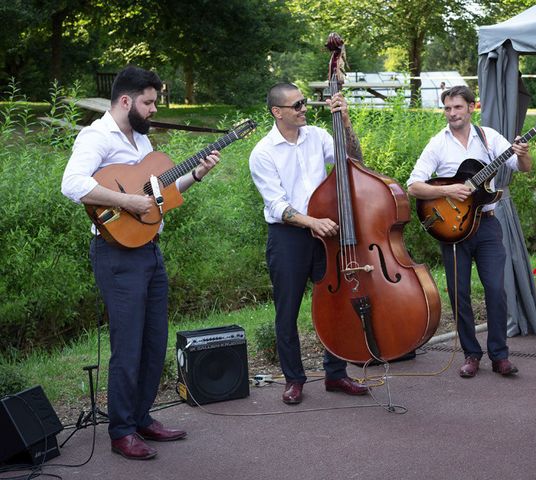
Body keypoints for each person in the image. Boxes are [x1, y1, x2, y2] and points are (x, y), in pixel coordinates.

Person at [61, 65, 221, 460]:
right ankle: (121, 430)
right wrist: (127, 201)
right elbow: (72, 183)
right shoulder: (96, 136)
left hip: (149, 249)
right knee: (128, 345)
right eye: (149, 102)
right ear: (127, 100)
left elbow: (159, 193)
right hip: (116, 254)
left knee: (154, 340)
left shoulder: (141, 143)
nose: (153, 109)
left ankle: (142, 416)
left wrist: (195, 175)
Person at [249, 83, 368, 405]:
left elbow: (354, 161)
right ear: (277, 112)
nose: (304, 108)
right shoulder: (262, 152)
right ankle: (294, 380)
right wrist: (311, 222)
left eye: (304, 102)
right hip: (288, 236)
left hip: (326, 231)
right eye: (296, 105)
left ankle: (336, 373)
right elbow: (276, 205)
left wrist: (345, 124)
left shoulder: (317, 135)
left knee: (337, 302)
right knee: (287, 311)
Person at [407, 85, 531, 379]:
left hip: (486, 225)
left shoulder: (489, 138)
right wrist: (450, 189)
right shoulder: (438, 143)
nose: (452, 114)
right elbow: (414, 186)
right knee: (459, 294)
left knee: (496, 289)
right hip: (452, 229)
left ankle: (500, 355)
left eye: (458, 108)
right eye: (448, 108)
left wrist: (524, 153)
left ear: (472, 107)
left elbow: (523, 167)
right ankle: (471, 354)